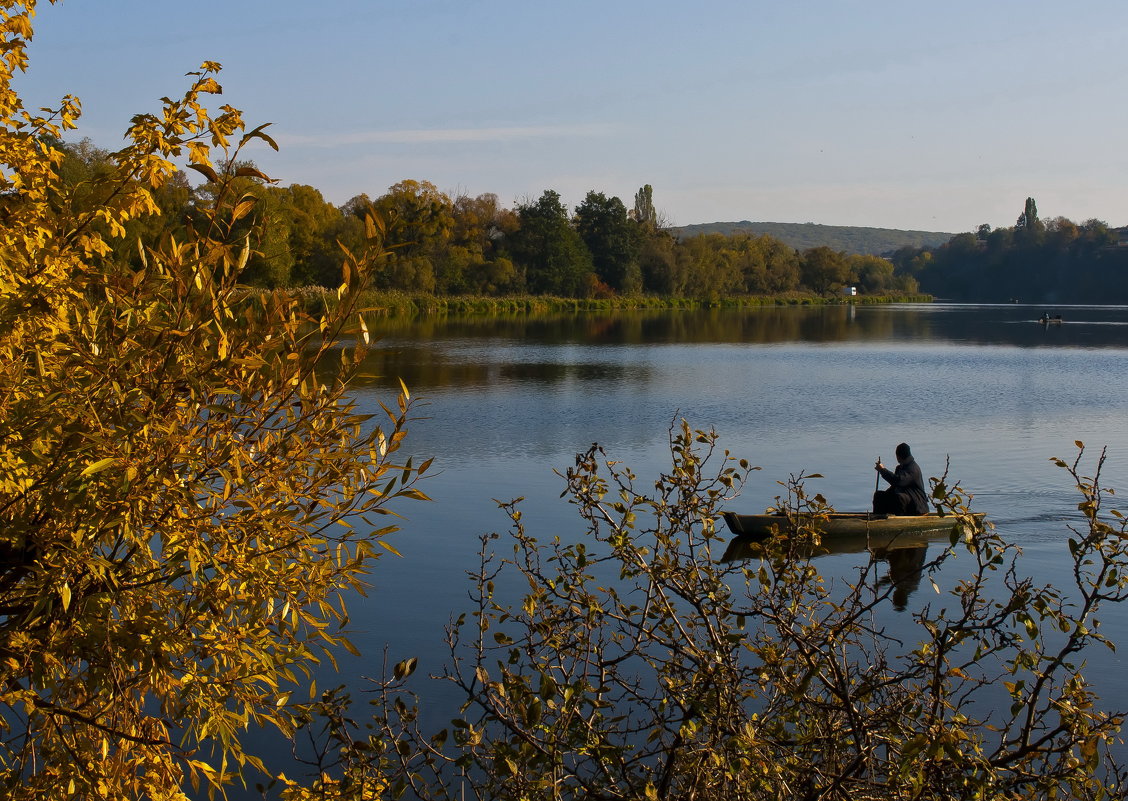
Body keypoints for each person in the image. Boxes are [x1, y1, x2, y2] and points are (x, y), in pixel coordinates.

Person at [873, 442, 928, 515]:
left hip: (917, 507)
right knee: (879, 495)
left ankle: (899, 521)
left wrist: (882, 470)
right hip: (907, 501)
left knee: (899, 497)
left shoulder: (913, 469)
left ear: (898, 457)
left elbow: (899, 481)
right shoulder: (900, 468)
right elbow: (895, 486)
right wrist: (883, 497)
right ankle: (878, 518)